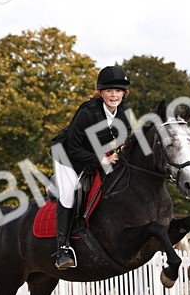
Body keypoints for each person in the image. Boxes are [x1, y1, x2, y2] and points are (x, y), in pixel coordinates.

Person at [49, 65, 136, 269]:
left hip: (97, 154)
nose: (114, 95)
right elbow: (74, 148)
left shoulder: (125, 113)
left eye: (118, 90)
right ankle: (63, 249)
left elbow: (125, 140)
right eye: (109, 90)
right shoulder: (88, 112)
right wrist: (102, 160)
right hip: (67, 156)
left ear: (124, 93)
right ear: (101, 92)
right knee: (70, 193)